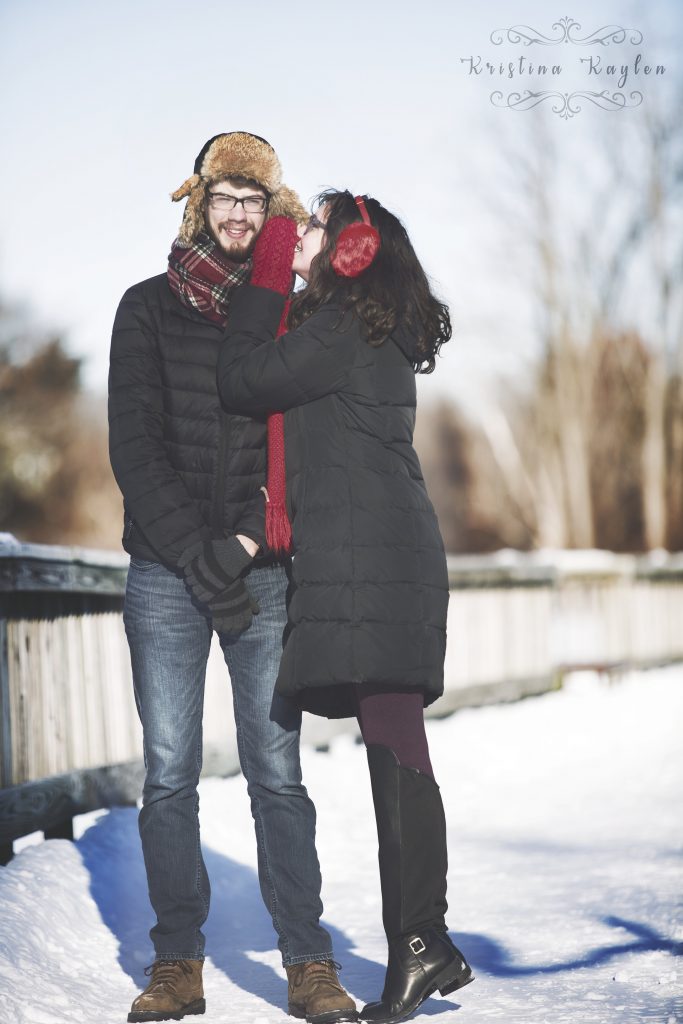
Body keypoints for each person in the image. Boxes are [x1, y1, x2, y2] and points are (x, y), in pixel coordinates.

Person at [108, 135, 357, 1024]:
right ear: (200, 205)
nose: (241, 214)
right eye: (226, 197)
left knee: (276, 772)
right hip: (167, 576)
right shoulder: (143, 309)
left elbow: (304, 451)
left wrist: (246, 544)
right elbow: (133, 450)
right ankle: (176, 961)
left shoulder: (290, 315)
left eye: (257, 200)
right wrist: (196, 558)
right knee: (170, 772)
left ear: (273, 211)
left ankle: (308, 962)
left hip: (262, 571)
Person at [216, 192, 475, 1024]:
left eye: (315, 225)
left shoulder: (337, 330)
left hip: (376, 565)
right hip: (379, 559)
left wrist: (264, 263)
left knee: (396, 751)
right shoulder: (351, 325)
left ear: (354, 250)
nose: (301, 234)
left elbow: (243, 376)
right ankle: (423, 942)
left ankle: (421, 944)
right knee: (394, 750)